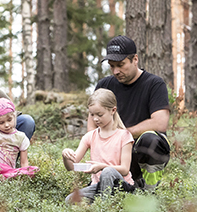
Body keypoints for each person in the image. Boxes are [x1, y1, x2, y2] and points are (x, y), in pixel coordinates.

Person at [92, 35, 171, 190]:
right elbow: (93, 123)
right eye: (112, 66)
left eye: (121, 65)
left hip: (142, 149)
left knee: (150, 140)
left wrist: (122, 136)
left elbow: (160, 122)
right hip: (115, 154)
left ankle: (149, 188)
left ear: (135, 59)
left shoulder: (154, 84)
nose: (116, 71)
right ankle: (126, 187)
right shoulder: (104, 85)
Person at [63, 88, 135, 202]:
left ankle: (104, 211)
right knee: (70, 200)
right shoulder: (89, 136)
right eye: (92, 115)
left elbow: (125, 170)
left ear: (113, 110)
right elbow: (72, 166)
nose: (95, 119)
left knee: (108, 172)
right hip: (98, 187)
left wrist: (102, 166)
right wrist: (65, 156)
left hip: (122, 186)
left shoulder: (124, 136)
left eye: (100, 114)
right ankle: (102, 204)